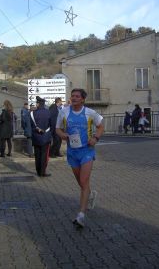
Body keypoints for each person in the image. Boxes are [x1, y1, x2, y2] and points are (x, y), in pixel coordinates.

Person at [56, 89, 104, 228]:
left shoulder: (90, 112)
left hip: (86, 151)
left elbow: (100, 126)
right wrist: (63, 135)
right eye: (73, 96)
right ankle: (90, 195)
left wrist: (95, 138)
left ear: (83, 99)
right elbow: (57, 128)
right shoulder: (64, 112)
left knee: (84, 180)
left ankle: (81, 215)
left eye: (77, 96)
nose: (74, 98)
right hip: (72, 152)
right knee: (82, 183)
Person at [30, 96, 52, 177]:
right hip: (45, 136)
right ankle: (43, 172)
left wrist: (36, 129)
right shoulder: (48, 112)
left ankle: (38, 171)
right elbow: (51, 124)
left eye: (37, 103)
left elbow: (31, 125)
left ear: (38, 104)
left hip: (36, 137)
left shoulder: (32, 113)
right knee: (44, 155)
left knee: (37, 155)